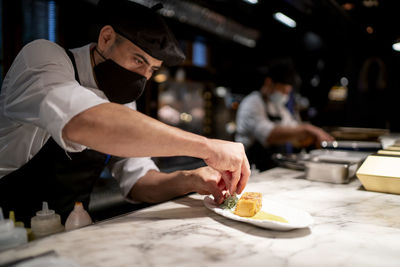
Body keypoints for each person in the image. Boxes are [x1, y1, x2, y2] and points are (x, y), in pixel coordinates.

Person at [0, 0, 250, 226]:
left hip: (72, 230)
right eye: (138, 60)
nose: (143, 76)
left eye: (152, 69)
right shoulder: (43, 58)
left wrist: (190, 179)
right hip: (9, 229)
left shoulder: (120, 100)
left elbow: (138, 182)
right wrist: (206, 147)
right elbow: (84, 121)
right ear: (106, 38)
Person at [235, 59, 333, 171]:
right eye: (283, 91)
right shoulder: (252, 103)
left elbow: (293, 129)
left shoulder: (278, 107)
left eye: (287, 92)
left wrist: (312, 135)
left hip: (272, 168)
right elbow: (269, 136)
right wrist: (308, 129)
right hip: (251, 169)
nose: (285, 95)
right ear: (268, 82)